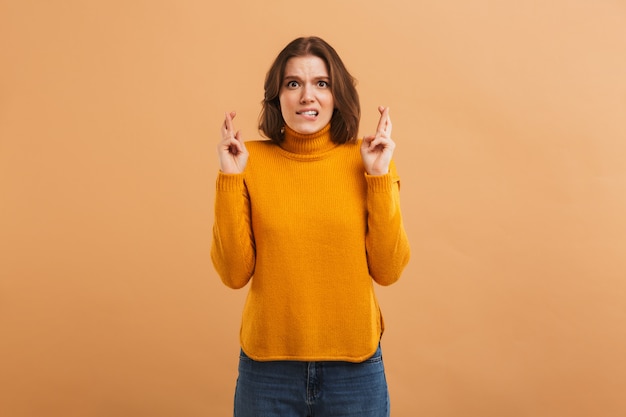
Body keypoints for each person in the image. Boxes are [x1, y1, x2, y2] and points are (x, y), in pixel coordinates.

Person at [211, 36, 410, 417]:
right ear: (277, 96)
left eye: (321, 83)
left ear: (338, 95)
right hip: (266, 369)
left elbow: (388, 269)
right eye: (293, 83)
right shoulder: (249, 162)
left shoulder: (368, 159)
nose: (307, 96)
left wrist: (379, 177)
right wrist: (230, 179)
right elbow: (234, 273)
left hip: (354, 369)